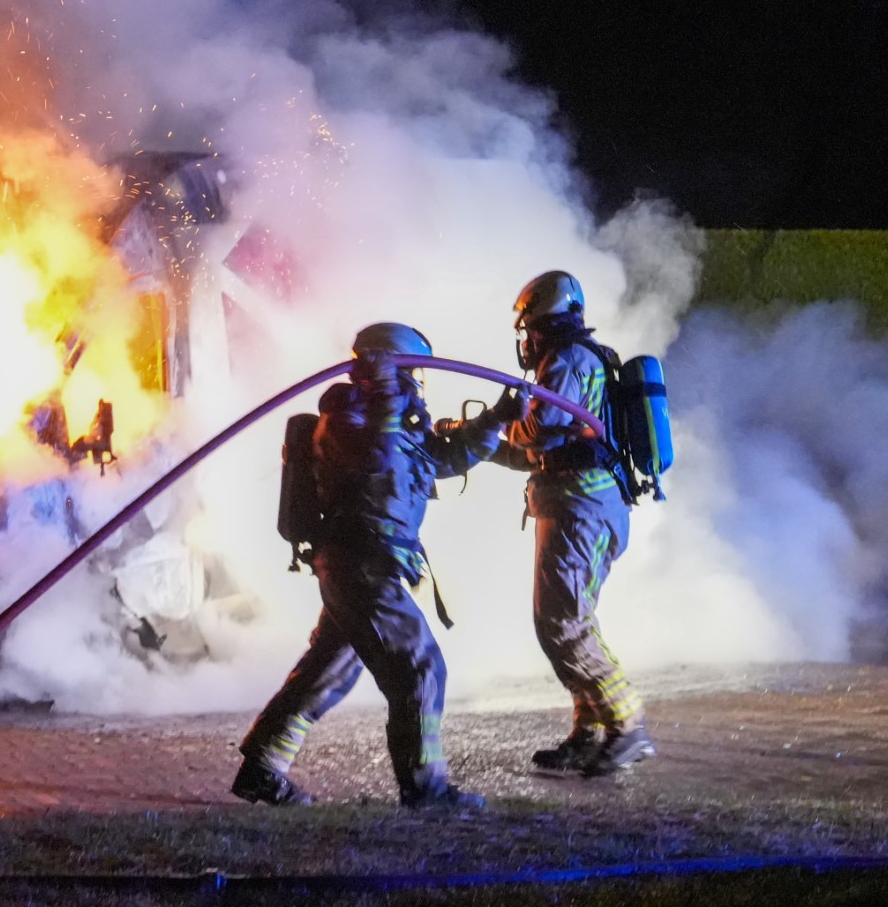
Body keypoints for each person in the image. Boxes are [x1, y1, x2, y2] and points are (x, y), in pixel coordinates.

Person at [232, 322, 526, 808]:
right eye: (417, 374)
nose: (422, 385)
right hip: (360, 561)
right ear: (399, 368)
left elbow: (444, 458)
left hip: (369, 564)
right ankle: (426, 792)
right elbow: (376, 462)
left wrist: (496, 419)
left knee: (328, 669)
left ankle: (262, 767)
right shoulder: (345, 416)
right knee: (419, 667)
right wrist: (386, 393)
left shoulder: (395, 419)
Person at [499, 271, 655, 777]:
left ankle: (626, 727)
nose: (526, 340)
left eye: (528, 328)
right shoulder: (581, 358)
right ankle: (587, 732)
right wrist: (476, 443)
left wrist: (498, 420)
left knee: (562, 624)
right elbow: (545, 448)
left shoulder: (565, 360)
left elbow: (539, 430)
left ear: (542, 321)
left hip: (579, 511)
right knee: (571, 621)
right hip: (584, 508)